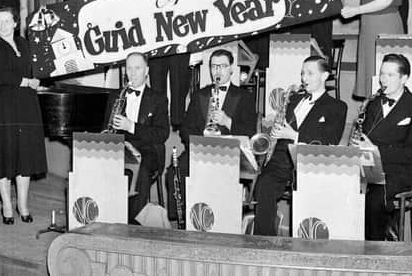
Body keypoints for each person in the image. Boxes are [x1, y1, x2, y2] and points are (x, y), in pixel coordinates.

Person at [253, 56, 347, 236]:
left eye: (310, 73)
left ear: (325, 76)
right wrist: (274, 133)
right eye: (303, 73)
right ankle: (263, 243)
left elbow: (330, 141)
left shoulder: (337, 107)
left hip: (310, 164)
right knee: (264, 185)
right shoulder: (293, 99)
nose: (304, 78)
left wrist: (294, 135)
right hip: (281, 160)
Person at [166, 48, 257, 222]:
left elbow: (250, 132)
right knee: (174, 172)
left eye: (222, 66)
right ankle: (183, 220)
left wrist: (228, 121)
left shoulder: (244, 97)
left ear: (231, 69)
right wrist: (201, 136)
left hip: (230, 153)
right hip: (201, 150)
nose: (218, 71)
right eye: (214, 66)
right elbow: (185, 129)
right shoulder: (200, 94)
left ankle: (223, 221)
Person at [351, 54, 412, 240]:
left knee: (373, 200)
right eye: (381, 74)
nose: (383, 80)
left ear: (404, 78)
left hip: (397, 171)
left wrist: (377, 150)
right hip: (368, 167)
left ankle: (374, 253)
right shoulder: (372, 104)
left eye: (390, 75)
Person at [0, 7, 47, 225]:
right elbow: (0, 75)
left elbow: (35, 68)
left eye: (7, 21)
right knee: (5, 154)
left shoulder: (25, 43)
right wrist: (27, 81)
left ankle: (23, 204)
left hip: (27, 103)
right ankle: (7, 205)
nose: (3, 25)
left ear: (16, 23)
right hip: (5, 105)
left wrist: (38, 79)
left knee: (24, 154)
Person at [103, 52, 169, 223]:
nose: (133, 73)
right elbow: (106, 128)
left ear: (146, 70)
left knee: (142, 169)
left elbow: (162, 134)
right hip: (120, 147)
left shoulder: (159, 98)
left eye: (137, 68)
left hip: (147, 149)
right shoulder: (115, 96)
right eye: (129, 68)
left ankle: (132, 223)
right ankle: (106, 217)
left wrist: (130, 126)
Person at [137, 0, 191, 128]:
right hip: (156, 43)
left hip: (179, 41)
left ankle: (178, 127)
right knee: (157, 88)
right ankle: (159, 128)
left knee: (179, 87)